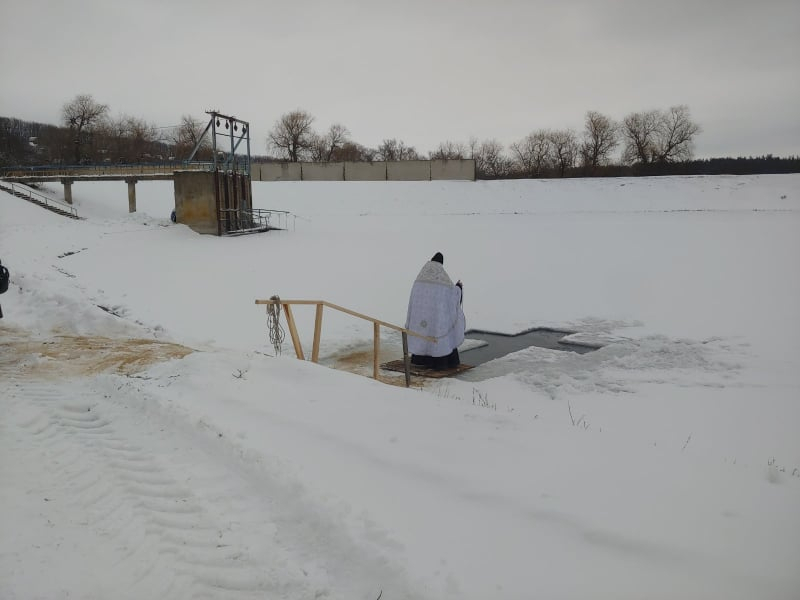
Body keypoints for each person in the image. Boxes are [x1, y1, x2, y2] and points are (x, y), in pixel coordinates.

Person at [405, 252, 465, 370]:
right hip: (436, 319)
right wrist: (458, 287)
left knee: (422, 334)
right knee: (438, 333)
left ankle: (420, 360)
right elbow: (453, 296)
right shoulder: (443, 279)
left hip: (419, 317)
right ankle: (439, 362)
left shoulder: (419, 278)